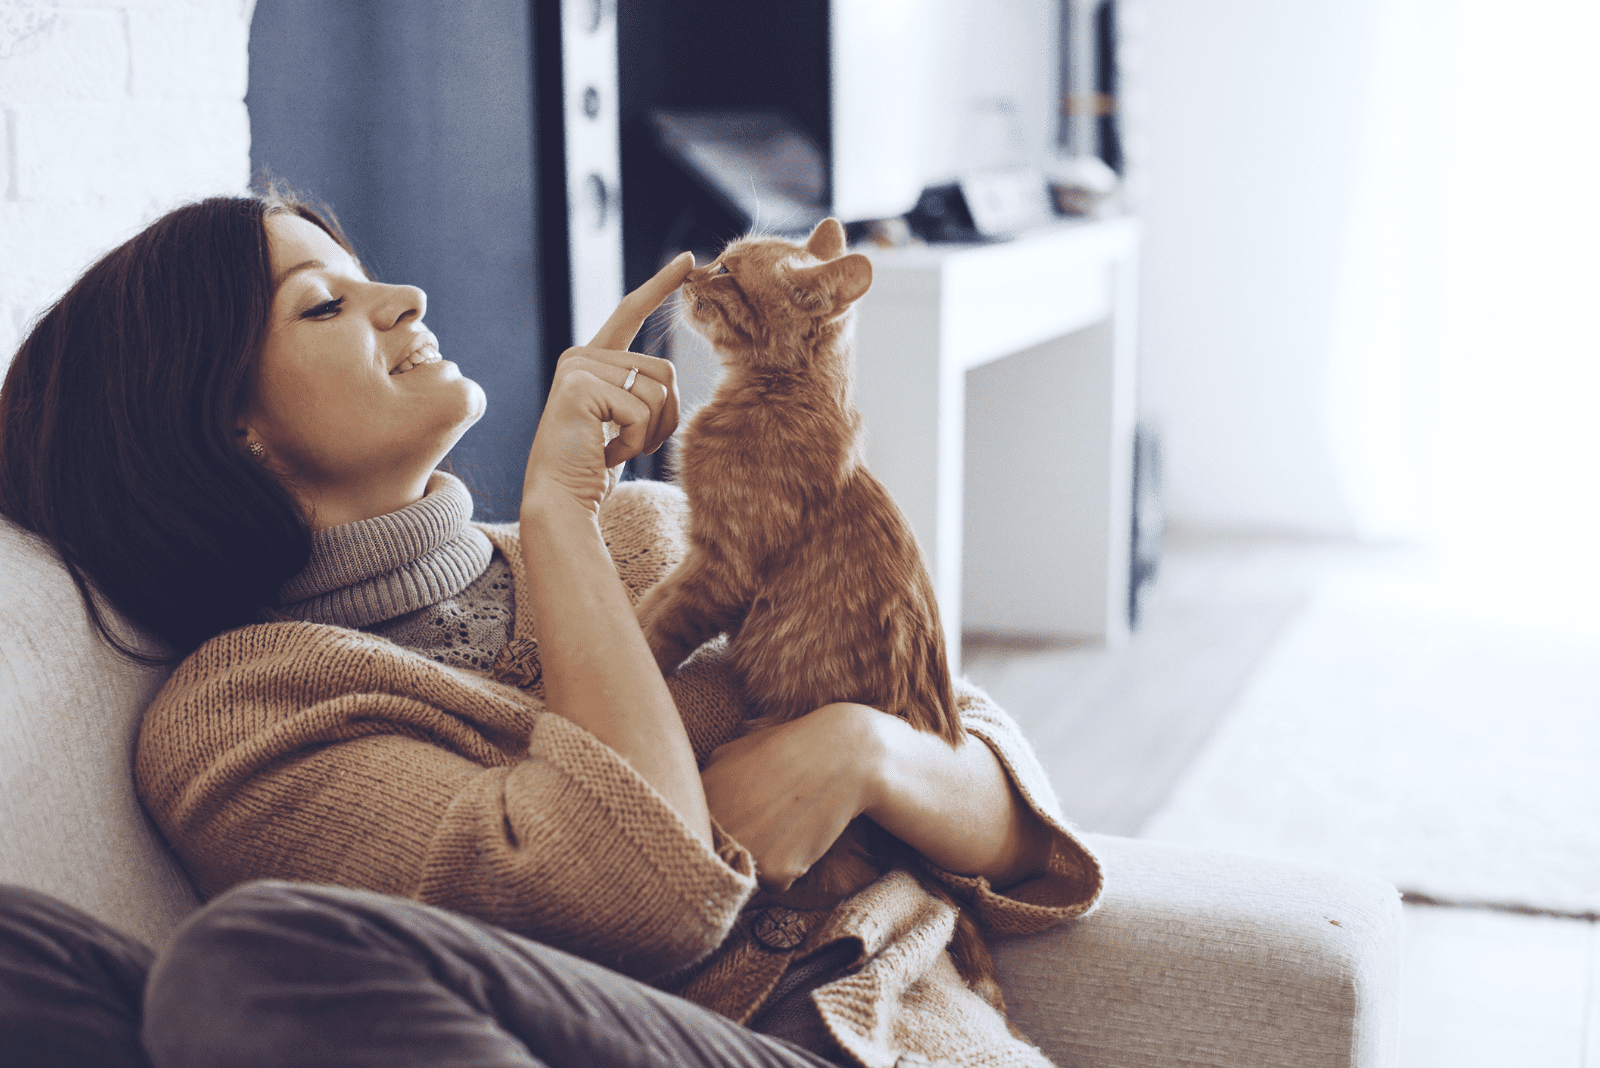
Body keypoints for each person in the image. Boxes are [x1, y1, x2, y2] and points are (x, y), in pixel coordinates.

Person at [0, 190, 1102, 1067]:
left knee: (244, 961)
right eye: (322, 306)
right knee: (138, 959)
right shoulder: (244, 715)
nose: (405, 295)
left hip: (877, 1043)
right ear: (226, 427)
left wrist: (860, 751)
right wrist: (558, 514)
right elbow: (644, 889)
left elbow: (1021, 832)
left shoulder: (652, 531)